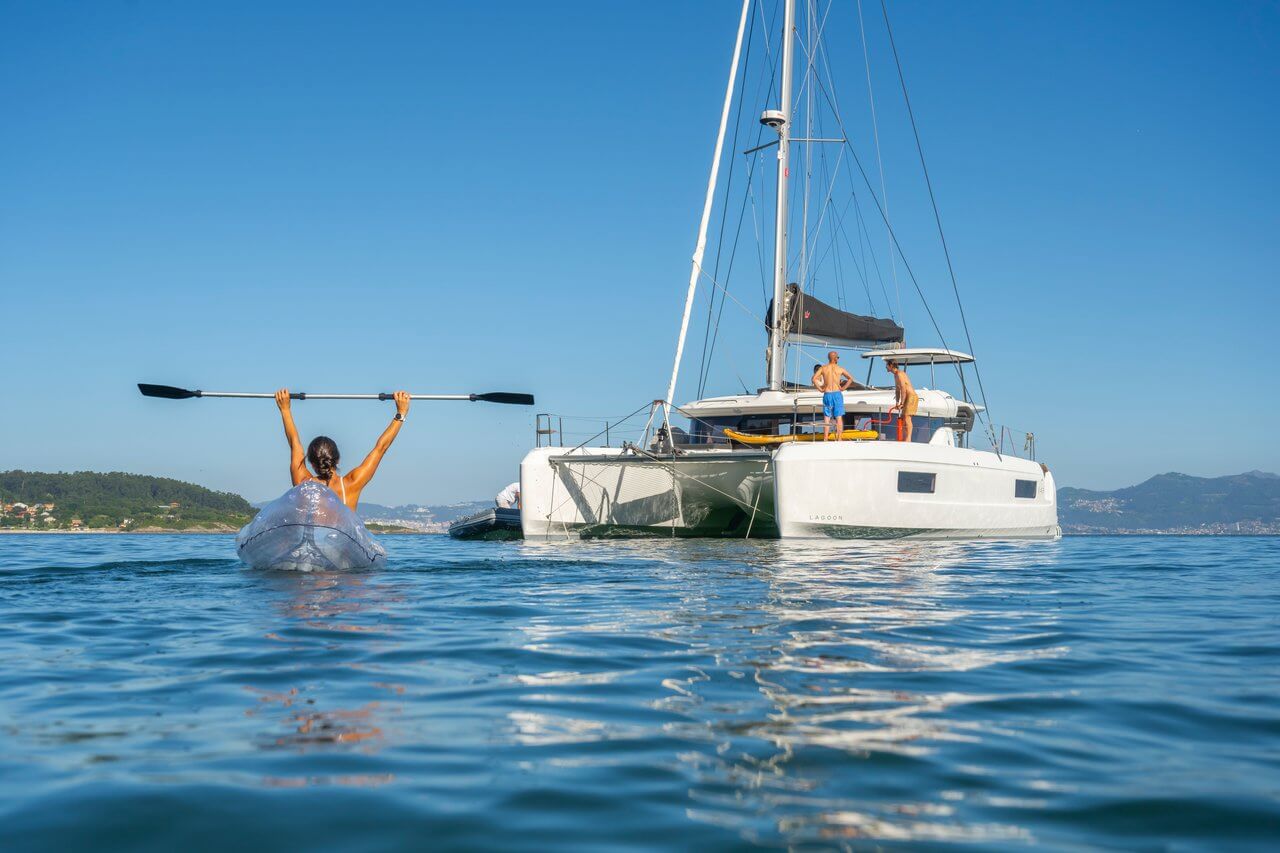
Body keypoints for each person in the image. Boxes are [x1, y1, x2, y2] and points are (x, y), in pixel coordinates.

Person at [273, 388, 410, 512]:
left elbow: (295, 444)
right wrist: (401, 413)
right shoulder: (352, 484)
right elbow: (380, 448)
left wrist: (285, 409)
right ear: (337, 459)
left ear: (311, 463)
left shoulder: (303, 483)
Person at [813, 351, 854, 440]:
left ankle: (825, 438)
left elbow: (814, 379)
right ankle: (839, 438)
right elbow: (851, 378)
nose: (838, 359)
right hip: (837, 394)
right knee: (838, 417)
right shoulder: (840, 369)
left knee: (827, 417)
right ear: (835, 358)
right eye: (838, 357)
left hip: (827, 394)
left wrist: (820, 389)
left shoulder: (823, 368)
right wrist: (843, 388)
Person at [886, 361, 918, 442]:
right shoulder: (895, 375)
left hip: (911, 397)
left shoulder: (900, 374)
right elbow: (897, 390)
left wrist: (902, 403)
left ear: (891, 365)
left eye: (887, 366)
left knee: (907, 417)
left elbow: (903, 389)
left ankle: (908, 439)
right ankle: (904, 438)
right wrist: (897, 402)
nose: (886, 367)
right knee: (903, 418)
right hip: (907, 397)